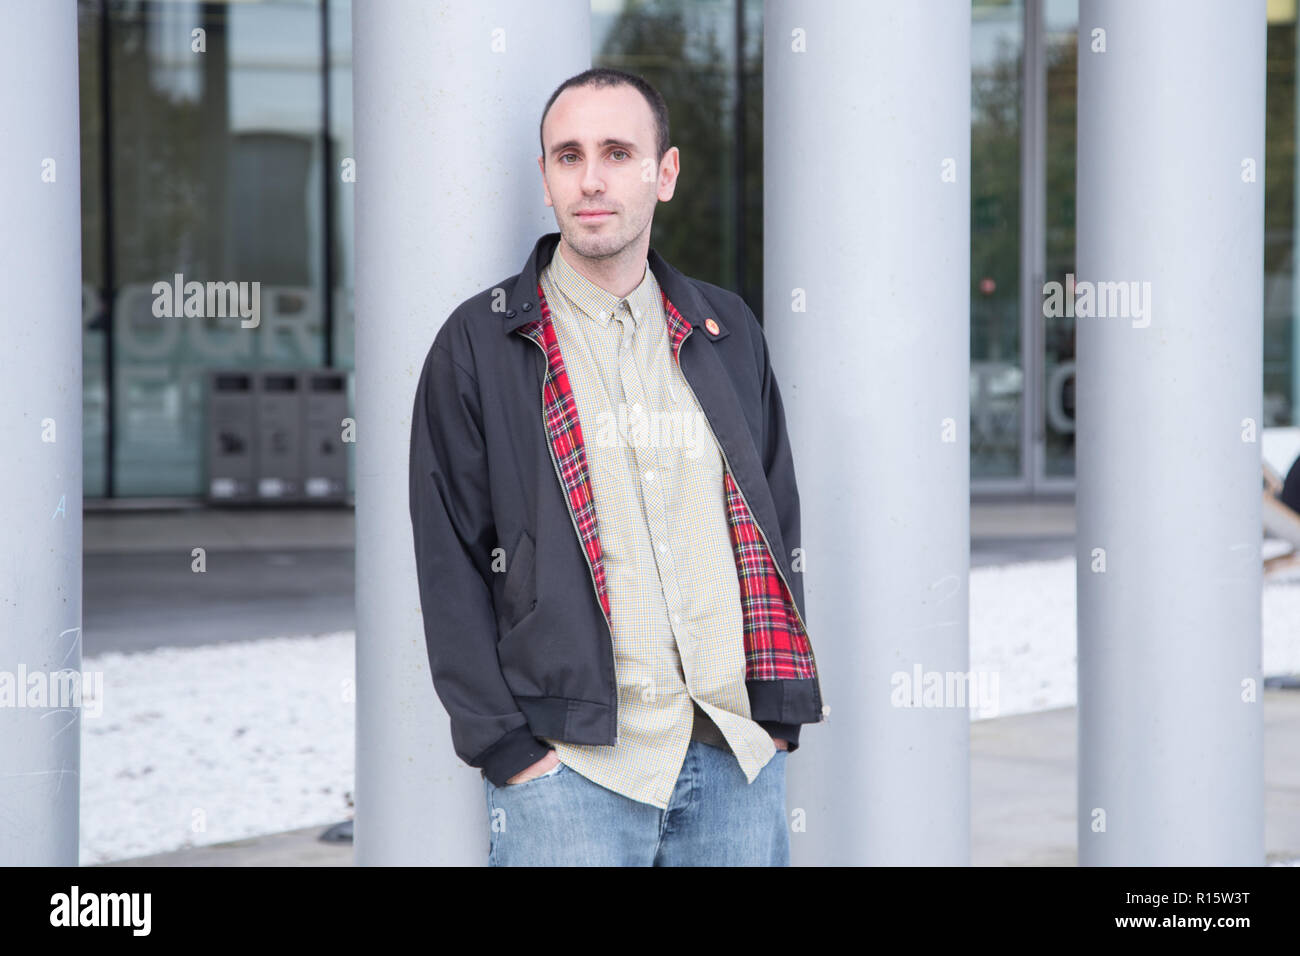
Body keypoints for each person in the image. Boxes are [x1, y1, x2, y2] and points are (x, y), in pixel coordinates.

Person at [408, 67, 827, 866]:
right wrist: (505, 748)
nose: (591, 179)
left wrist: (775, 717)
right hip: (574, 777)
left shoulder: (724, 327)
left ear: (663, 174)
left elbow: (776, 513)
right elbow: (448, 558)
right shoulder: (482, 341)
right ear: (545, 178)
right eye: (567, 156)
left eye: (617, 152)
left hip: (733, 755)